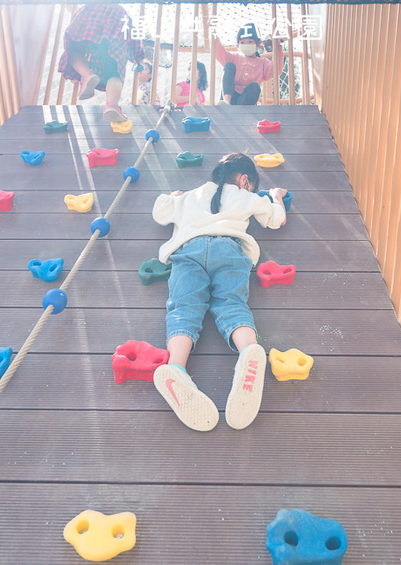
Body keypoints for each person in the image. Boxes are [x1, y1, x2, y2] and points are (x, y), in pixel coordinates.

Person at [151, 153, 288, 432]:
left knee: (184, 308)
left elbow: (159, 213)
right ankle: (248, 350)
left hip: (188, 250)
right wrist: (274, 196)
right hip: (229, 248)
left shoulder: (190, 195)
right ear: (244, 180)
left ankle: (176, 368)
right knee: (231, 303)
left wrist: (172, 195)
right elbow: (277, 220)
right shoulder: (247, 196)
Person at [58, 4, 145, 122]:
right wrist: (138, 55)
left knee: (73, 52)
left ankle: (86, 74)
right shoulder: (121, 12)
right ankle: (112, 105)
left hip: (88, 27)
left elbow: (75, 24)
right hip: (114, 42)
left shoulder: (88, 7)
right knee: (114, 74)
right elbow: (133, 36)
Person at [214, 23, 283, 105]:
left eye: (250, 41)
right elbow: (218, 51)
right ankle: (227, 102)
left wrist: (277, 46)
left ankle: (240, 111)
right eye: (242, 42)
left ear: (258, 43)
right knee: (229, 65)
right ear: (238, 45)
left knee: (255, 86)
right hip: (231, 96)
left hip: (245, 101)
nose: (246, 44)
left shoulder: (262, 63)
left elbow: (276, 69)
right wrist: (213, 34)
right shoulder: (234, 58)